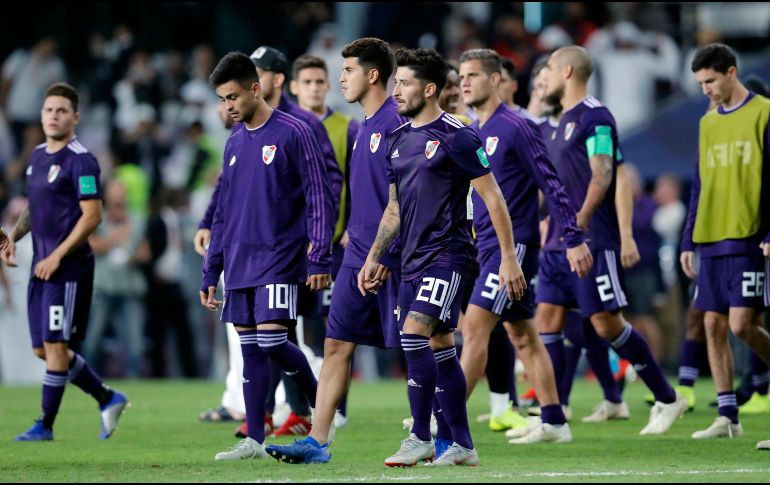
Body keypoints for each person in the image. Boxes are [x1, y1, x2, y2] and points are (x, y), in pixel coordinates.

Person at [360, 47, 527, 467]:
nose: (395, 91)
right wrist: (374, 256)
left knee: (413, 335)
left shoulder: (458, 134)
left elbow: (494, 197)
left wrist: (508, 257)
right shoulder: (397, 140)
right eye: (395, 82)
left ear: (429, 88)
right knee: (440, 345)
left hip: (449, 254)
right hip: (411, 258)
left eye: (404, 83)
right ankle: (462, 445)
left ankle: (420, 436)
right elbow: (395, 209)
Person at [532, 46, 687, 437]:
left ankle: (668, 398)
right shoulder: (556, 122)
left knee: (605, 323)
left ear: (567, 71)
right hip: (556, 246)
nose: (543, 77)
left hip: (590, 241)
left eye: (548, 69)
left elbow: (604, 176)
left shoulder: (596, 118)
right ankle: (551, 416)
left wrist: (580, 227)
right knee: (547, 320)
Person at [265, 37, 407, 466]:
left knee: (428, 343)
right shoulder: (362, 126)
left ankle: (443, 434)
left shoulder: (398, 123)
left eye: (347, 71)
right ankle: (318, 440)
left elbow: (406, 200)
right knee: (335, 344)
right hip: (355, 253)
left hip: (393, 256)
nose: (340, 79)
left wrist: (382, 254)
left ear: (373, 74)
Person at [201, 52, 334, 460]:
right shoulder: (234, 144)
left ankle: (322, 404)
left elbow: (320, 195)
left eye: (233, 97)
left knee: (275, 339)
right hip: (239, 261)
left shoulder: (295, 131)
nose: (227, 107)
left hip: (280, 256)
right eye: (222, 100)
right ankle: (255, 440)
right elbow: (223, 212)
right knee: (250, 349)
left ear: (256, 89)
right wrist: (211, 271)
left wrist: (320, 256)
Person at [457, 48, 592, 445]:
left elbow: (552, 184)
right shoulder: (471, 130)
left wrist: (573, 238)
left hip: (511, 248)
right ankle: (554, 421)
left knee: (476, 327)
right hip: (486, 247)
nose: (465, 82)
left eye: (473, 75)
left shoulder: (517, 125)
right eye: (462, 75)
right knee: (523, 336)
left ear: (496, 79)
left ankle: (442, 423)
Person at [0, 82, 128, 441]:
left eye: (61, 111)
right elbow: (34, 207)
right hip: (42, 265)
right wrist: (13, 235)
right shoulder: (38, 156)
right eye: (48, 110)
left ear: (75, 116)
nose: (54, 116)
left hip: (68, 267)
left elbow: (92, 216)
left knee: (56, 347)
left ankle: (45, 424)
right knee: (44, 349)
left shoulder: (82, 160)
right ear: (41, 115)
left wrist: (57, 255)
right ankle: (107, 397)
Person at [249, 46, 343, 437]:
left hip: (299, 248)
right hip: (261, 247)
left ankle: (314, 410)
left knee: (296, 332)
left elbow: (328, 185)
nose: (251, 80)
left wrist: (319, 240)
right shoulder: (248, 123)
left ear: (276, 78)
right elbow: (232, 184)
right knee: (276, 330)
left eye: (258, 73)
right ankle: (277, 413)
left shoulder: (303, 122)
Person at [681, 43, 770, 441]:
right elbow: (700, 185)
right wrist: (687, 239)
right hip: (710, 237)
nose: (706, 90)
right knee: (713, 324)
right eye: (700, 83)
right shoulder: (707, 123)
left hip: (748, 234)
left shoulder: (764, 113)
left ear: (731, 73)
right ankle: (727, 415)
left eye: (711, 81)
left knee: (742, 326)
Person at [290, 54, 360, 426]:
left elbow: (358, 180)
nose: (315, 88)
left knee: (333, 330)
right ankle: (300, 408)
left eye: (320, 82)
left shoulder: (347, 127)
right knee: (292, 328)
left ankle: (338, 409)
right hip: (293, 247)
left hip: (334, 246)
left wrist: (353, 224)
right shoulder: (284, 126)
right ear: (294, 87)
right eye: (308, 82)